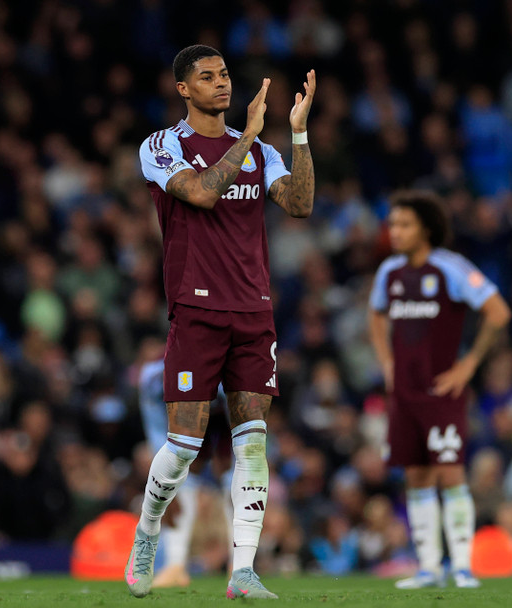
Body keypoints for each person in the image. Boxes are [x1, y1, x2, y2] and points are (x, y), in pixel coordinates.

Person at [128, 44, 316, 600]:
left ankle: (243, 571)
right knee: (184, 447)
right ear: (183, 88)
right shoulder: (162, 146)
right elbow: (201, 194)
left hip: (254, 311)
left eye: (225, 74)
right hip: (197, 309)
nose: (221, 84)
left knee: (253, 444)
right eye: (207, 77)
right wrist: (248, 138)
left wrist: (298, 133)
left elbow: (300, 204)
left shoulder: (258, 150)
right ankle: (147, 533)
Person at [368, 191, 511, 589]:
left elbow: (498, 311)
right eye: (392, 224)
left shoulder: (450, 268)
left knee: (450, 472)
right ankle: (429, 568)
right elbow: (375, 315)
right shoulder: (389, 273)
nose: (394, 232)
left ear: (426, 229)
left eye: (404, 224)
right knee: (415, 475)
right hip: (405, 395)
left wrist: (468, 364)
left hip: (441, 392)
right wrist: (387, 363)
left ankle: (462, 566)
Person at [137, 355, 232, 589]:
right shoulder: (152, 379)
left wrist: (236, 458)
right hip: (179, 422)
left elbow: (243, 416)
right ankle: (175, 565)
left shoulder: (228, 372)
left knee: (235, 479)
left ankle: (240, 565)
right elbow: (156, 428)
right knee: (174, 483)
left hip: (225, 415)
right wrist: (166, 477)